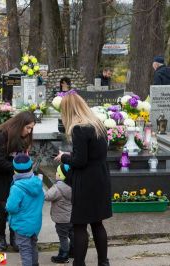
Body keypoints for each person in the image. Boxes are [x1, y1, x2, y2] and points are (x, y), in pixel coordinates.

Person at [54, 93, 112, 266]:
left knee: (79, 225)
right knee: (97, 223)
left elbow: (80, 161)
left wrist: (64, 158)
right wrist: (70, 154)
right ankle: (103, 262)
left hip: (86, 182)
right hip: (100, 178)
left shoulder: (79, 128)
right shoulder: (97, 125)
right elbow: (92, 154)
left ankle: (79, 263)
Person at [0, 111, 36, 251]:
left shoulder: (22, 137)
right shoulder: (1, 135)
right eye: (28, 128)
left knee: (14, 206)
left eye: (31, 128)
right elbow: (0, 162)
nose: (29, 132)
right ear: (20, 125)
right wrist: (21, 170)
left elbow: (20, 157)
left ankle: (13, 236)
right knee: (4, 207)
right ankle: (1, 236)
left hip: (10, 174)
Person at [6, 154, 44, 266]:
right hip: (35, 224)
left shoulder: (16, 188)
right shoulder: (38, 183)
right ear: (31, 167)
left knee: (25, 250)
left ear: (15, 171)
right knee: (33, 246)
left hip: (22, 225)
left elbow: (11, 207)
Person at [45, 163, 74, 263]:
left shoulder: (57, 188)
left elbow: (47, 196)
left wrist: (40, 187)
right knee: (71, 234)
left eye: (57, 172)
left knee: (63, 237)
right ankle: (73, 250)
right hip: (71, 217)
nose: (56, 173)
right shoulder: (73, 186)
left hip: (61, 220)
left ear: (61, 175)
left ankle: (64, 255)